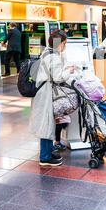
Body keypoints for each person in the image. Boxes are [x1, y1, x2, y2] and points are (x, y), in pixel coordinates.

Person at [29, 30, 76, 166]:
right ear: (59, 43)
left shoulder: (47, 52)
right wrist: (69, 71)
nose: (65, 46)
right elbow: (58, 77)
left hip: (43, 92)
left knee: (48, 122)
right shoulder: (54, 57)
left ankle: (49, 152)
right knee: (46, 124)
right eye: (64, 43)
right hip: (45, 93)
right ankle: (44, 157)